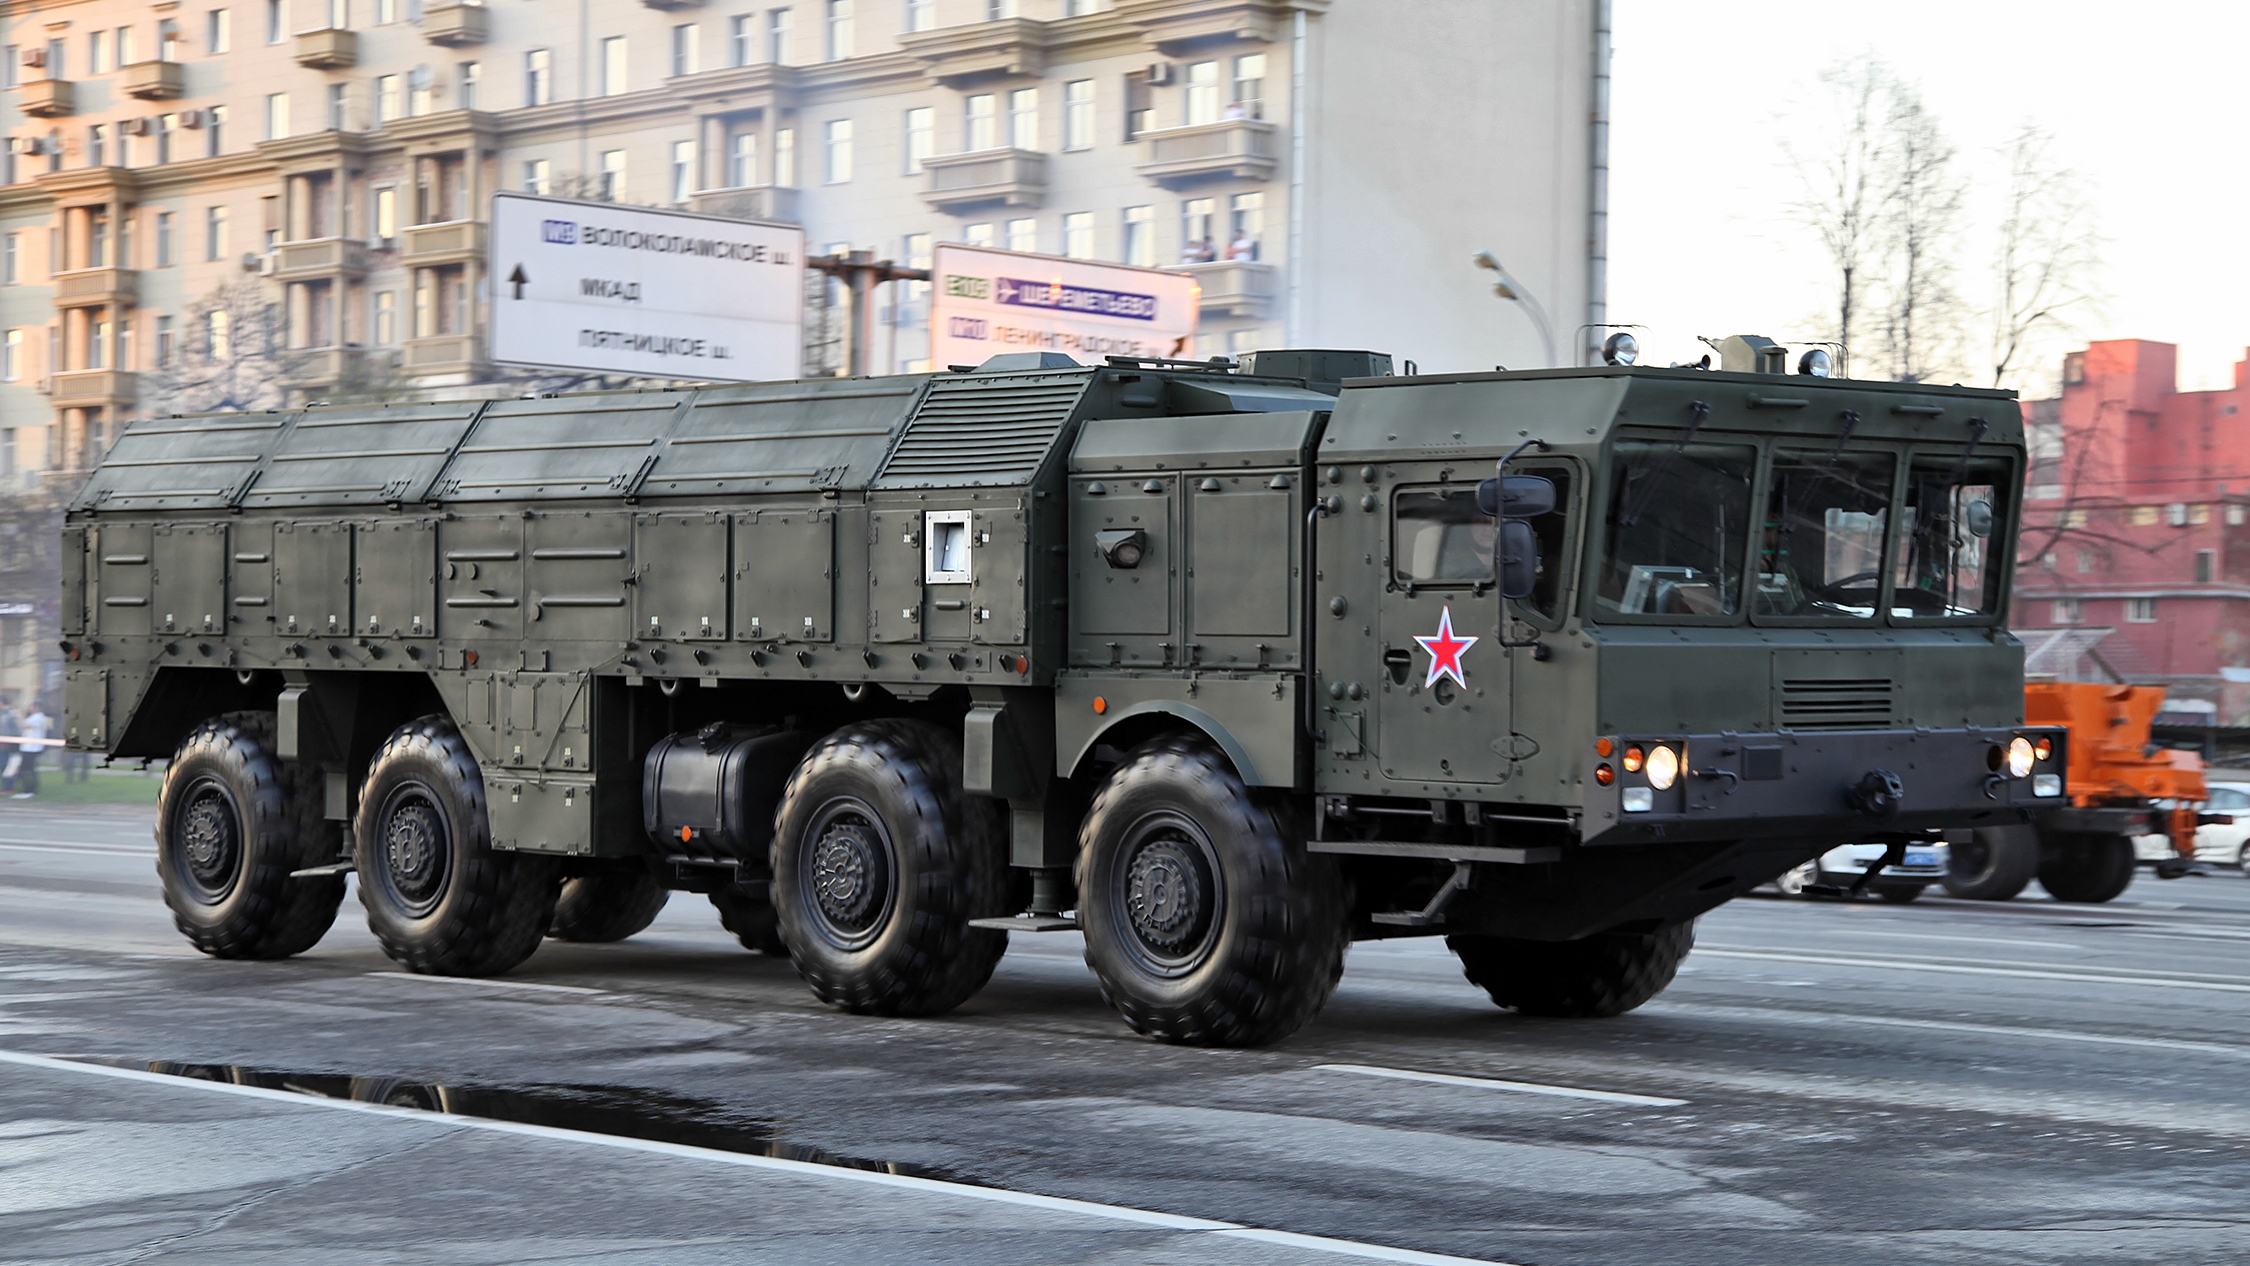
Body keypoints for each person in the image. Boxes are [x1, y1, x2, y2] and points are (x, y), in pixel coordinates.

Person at [14, 702, 47, 799]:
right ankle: (28, 788)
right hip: (27, 747)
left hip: (32, 748)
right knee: (27, 769)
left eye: (31, 706)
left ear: (36, 707)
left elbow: (24, 726)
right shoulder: (33, 717)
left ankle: (30, 789)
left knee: (27, 769)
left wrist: (18, 716)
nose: (29, 708)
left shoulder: (38, 717)